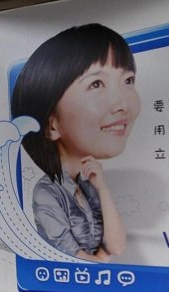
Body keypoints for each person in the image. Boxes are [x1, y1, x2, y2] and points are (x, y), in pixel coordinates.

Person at [11, 23, 141, 262]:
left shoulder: (89, 182)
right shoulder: (46, 192)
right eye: (96, 84)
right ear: (52, 125)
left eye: (128, 80)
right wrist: (102, 259)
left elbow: (116, 246)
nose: (123, 103)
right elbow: (72, 257)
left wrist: (102, 188)